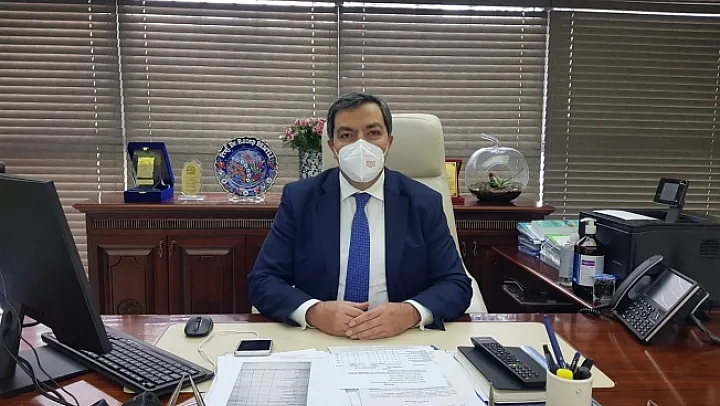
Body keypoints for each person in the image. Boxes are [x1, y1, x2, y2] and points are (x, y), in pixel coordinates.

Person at [248, 92, 472, 340]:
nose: (361, 145)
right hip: (322, 337)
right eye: (346, 135)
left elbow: (456, 284)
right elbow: (263, 280)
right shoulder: (300, 199)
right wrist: (314, 311)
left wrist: (410, 313)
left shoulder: (423, 202)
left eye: (373, 133)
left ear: (389, 142)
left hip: (400, 339)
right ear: (332, 147)